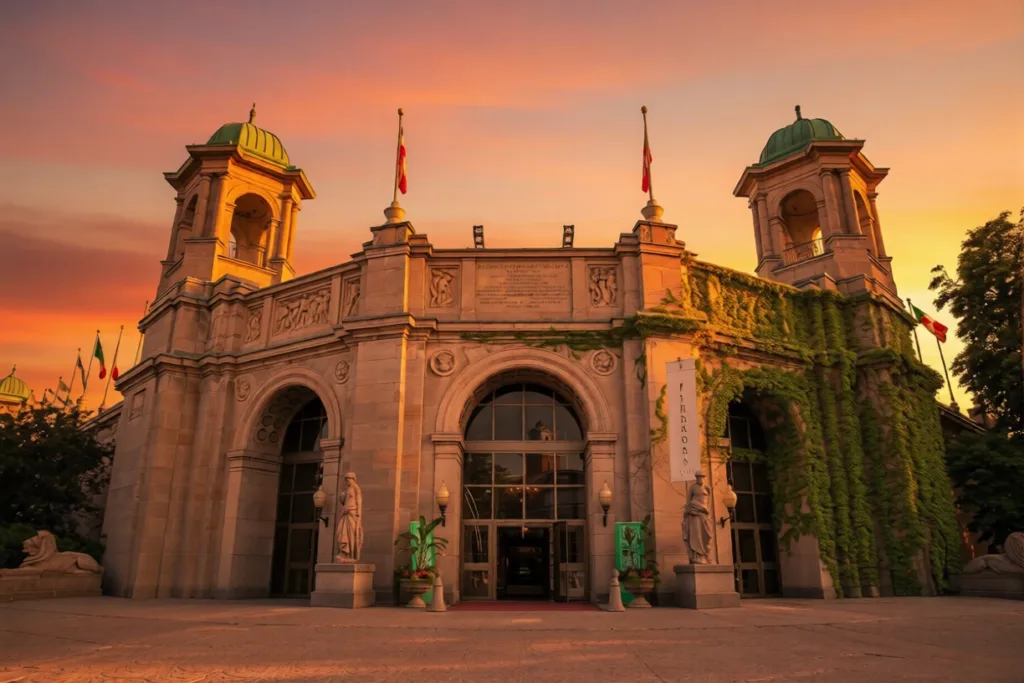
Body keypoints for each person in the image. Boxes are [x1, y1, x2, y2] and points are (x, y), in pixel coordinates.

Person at [682, 471, 713, 564]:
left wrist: (707, 511)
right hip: (695, 513)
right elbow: (688, 501)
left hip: (704, 514)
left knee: (708, 535)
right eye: (699, 477)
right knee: (696, 534)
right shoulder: (692, 488)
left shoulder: (707, 488)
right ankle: (697, 556)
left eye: (702, 477)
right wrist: (689, 511)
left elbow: (709, 502)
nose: (701, 479)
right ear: (696, 478)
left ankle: (705, 555)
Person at [335, 472, 364, 563]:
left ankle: (349, 554)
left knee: (351, 535)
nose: (347, 481)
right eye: (346, 479)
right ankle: (344, 552)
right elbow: (345, 501)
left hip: (352, 514)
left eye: (348, 479)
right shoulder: (347, 489)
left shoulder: (356, 488)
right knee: (340, 532)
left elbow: (359, 502)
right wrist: (342, 497)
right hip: (345, 514)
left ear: (353, 479)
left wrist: (358, 515)